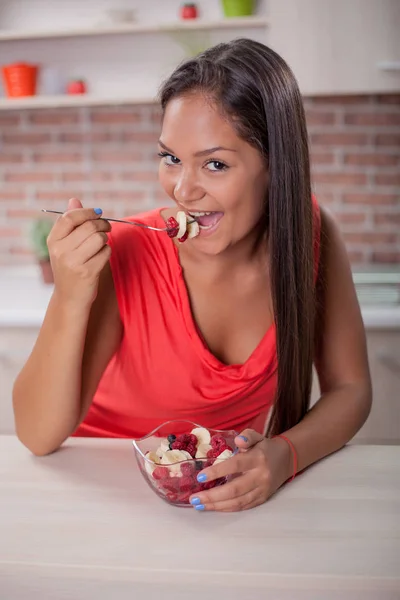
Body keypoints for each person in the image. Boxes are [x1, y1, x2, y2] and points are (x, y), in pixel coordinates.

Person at [13, 38, 372, 512]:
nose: (183, 189)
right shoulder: (127, 251)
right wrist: (70, 295)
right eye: (170, 158)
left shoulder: (311, 236)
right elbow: (37, 436)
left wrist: (284, 456)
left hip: (215, 500)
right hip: (95, 493)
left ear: (275, 168)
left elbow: (351, 390)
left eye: (215, 164)